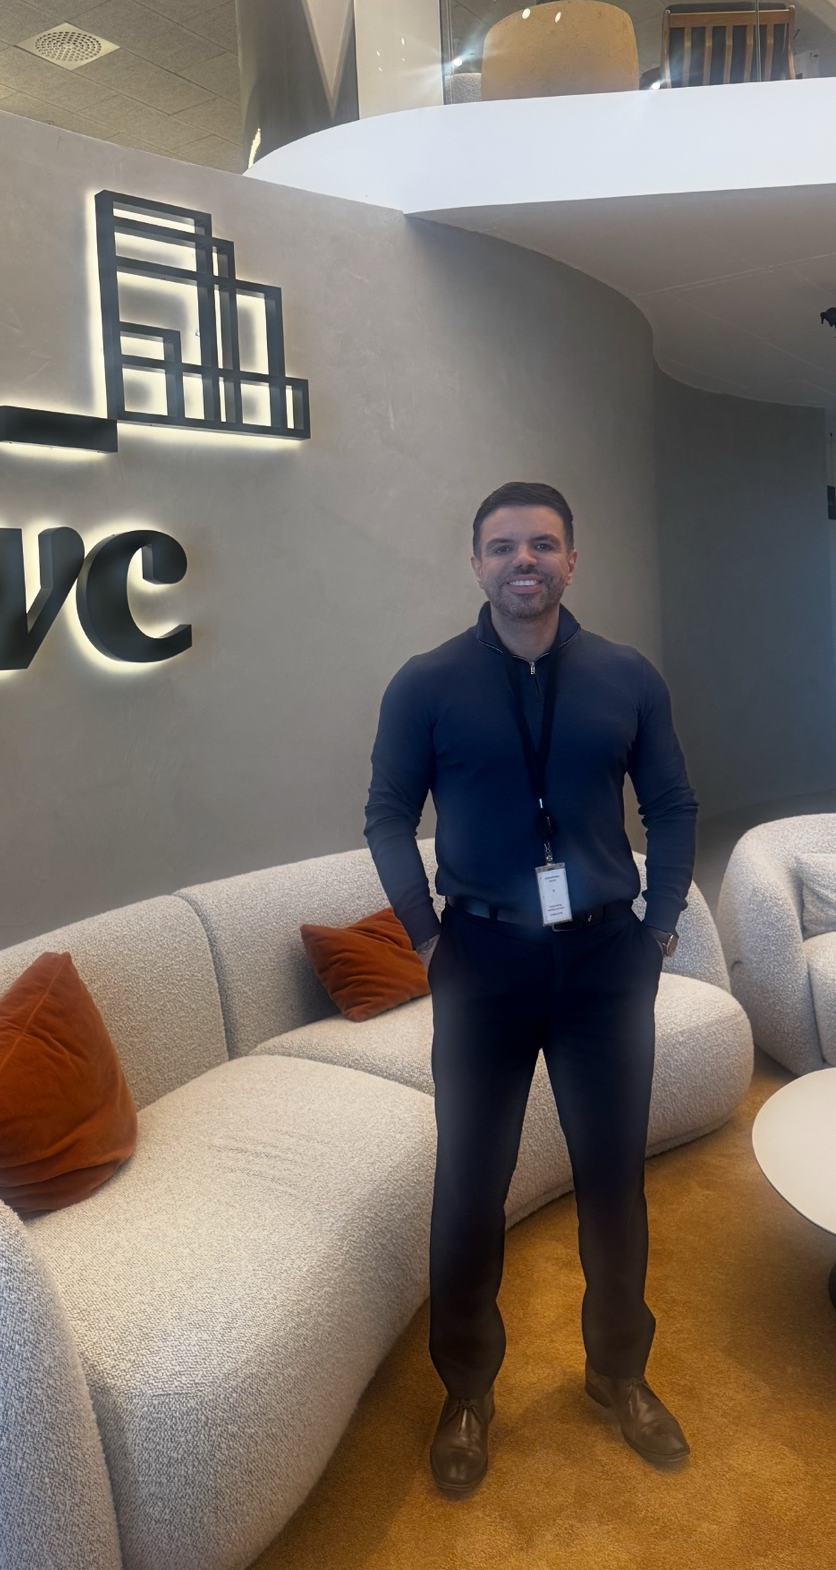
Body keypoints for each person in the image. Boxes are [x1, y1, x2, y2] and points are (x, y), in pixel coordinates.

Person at [364, 481, 697, 1497]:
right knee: (468, 1186)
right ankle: (466, 1391)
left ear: (569, 560)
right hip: (482, 965)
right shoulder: (424, 684)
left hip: (604, 965)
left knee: (611, 1184)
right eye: (503, 545)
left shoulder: (625, 676)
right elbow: (384, 816)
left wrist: (659, 926)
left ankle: (616, 1373)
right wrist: (425, 935)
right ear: (475, 564)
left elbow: (674, 805)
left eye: (542, 544)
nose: (524, 560)